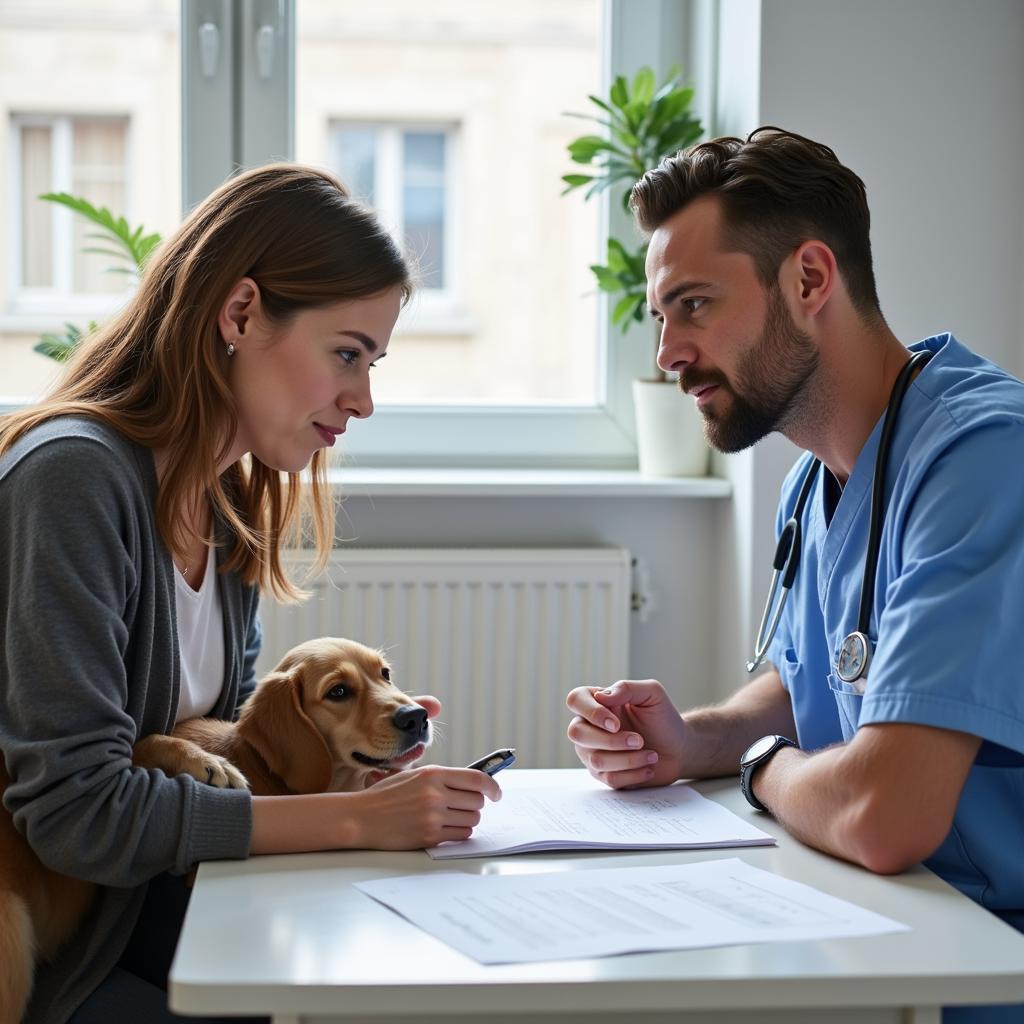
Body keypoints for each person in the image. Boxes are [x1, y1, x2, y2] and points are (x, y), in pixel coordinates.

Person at [0, 163, 501, 1024]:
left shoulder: (229, 507)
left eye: (372, 362)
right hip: (57, 956)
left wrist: (350, 762)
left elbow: (228, 774)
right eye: (347, 354)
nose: (364, 400)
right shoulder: (73, 480)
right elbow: (78, 814)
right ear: (239, 315)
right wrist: (353, 824)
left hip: (158, 919)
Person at [565, 127, 1024, 1023]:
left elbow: (885, 817)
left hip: (988, 962)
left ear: (810, 280)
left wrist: (760, 764)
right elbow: (814, 670)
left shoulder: (984, 460)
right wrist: (696, 737)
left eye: (693, 305)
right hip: (890, 929)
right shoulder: (817, 475)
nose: (666, 351)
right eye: (662, 316)